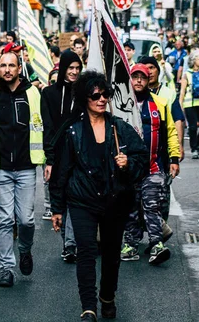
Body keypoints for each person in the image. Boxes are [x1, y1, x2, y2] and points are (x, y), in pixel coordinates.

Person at [51, 71, 148, 322]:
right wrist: (57, 209)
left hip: (114, 201)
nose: (102, 99)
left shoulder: (120, 128)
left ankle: (107, 296)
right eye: (96, 95)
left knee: (111, 254)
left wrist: (127, 164)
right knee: (85, 252)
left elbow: (142, 160)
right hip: (82, 201)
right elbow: (61, 172)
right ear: (85, 98)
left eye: (105, 94)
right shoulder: (73, 132)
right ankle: (88, 307)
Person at [0, 52, 45, 288]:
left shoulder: (32, 93)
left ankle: (25, 250)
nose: (7, 69)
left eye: (12, 65)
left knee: (27, 220)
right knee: (5, 220)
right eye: (3, 66)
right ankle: (6, 269)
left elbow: (42, 126)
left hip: (26, 166)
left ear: (20, 68)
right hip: (0, 167)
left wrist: (46, 160)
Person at [121, 65, 179, 266]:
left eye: (142, 78)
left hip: (153, 167)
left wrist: (174, 158)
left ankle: (156, 244)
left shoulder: (160, 104)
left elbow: (170, 132)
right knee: (131, 206)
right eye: (134, 77)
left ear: (148, 81)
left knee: (152, 205)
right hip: (128, 168)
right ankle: (130, 244)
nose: (138, 81)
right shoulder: (122, 104)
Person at [41, 50, 82, 262]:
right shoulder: (49, 94)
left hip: (80, 153)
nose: (74, 72)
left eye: (77, 68)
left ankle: (71, 244)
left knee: (76, 196)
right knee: (62, 198)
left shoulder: (84, 92)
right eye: (70, 68)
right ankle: (69, 242)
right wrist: (49, 158)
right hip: (58, 153)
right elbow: (47, 127)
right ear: (63, 68)